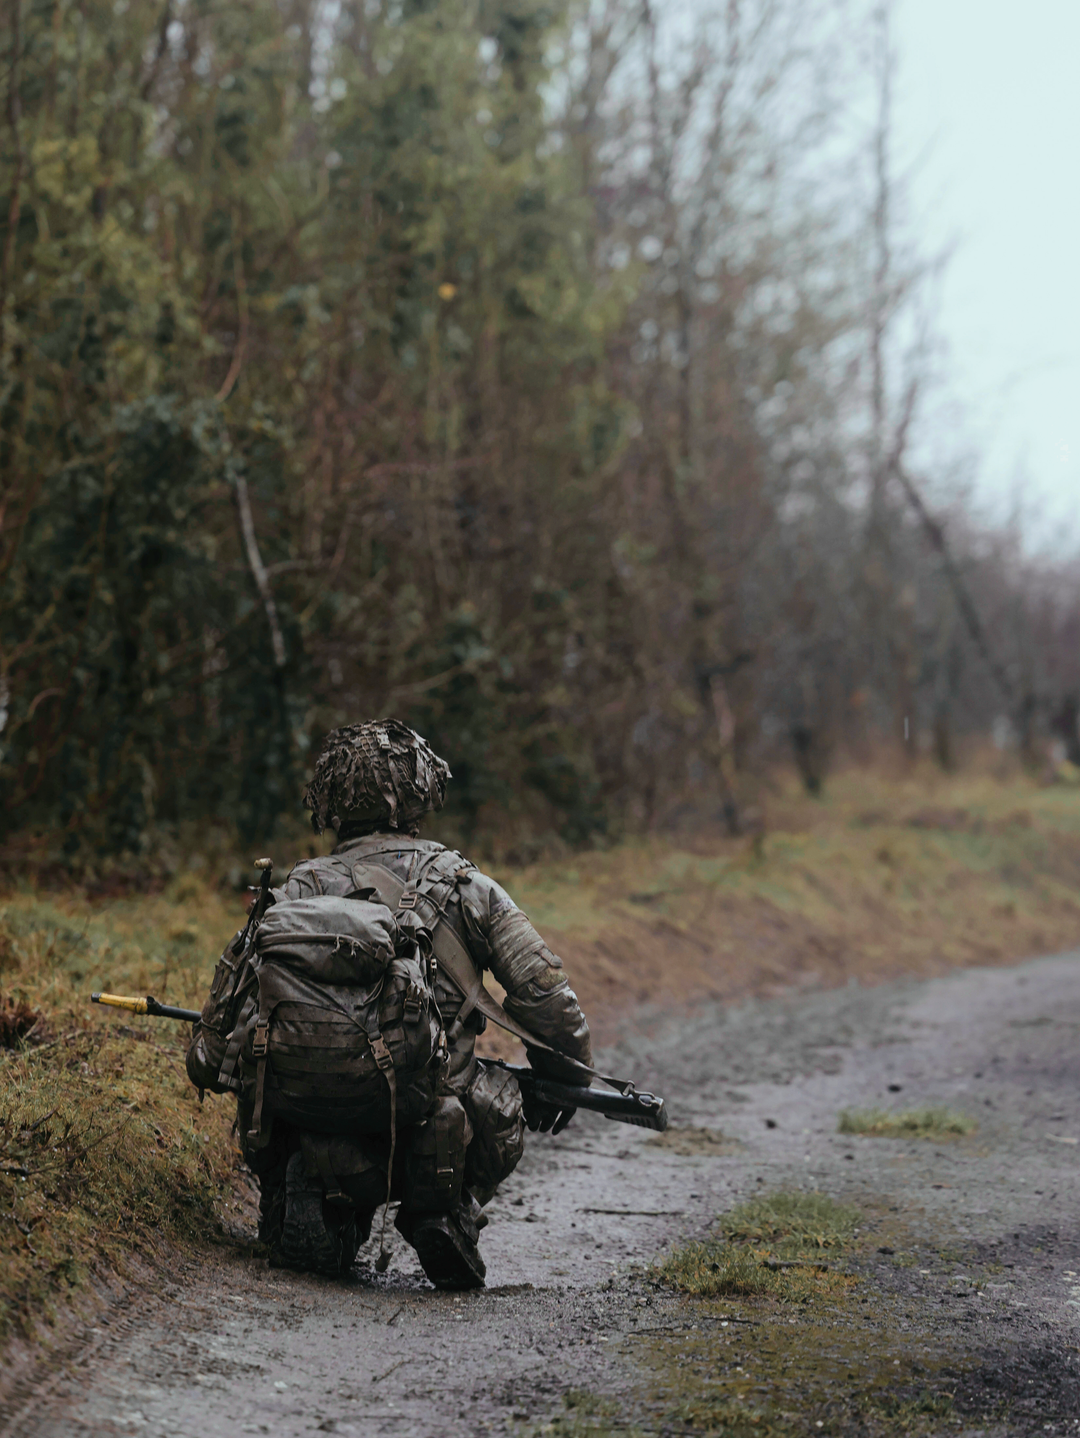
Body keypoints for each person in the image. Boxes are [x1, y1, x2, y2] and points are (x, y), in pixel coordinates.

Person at [189, 719, 592, 1290]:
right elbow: (545, 993)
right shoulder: (465, 886)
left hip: (308, 1111)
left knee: (260, 1059)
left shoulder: (298, 888)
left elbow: (223, 1021)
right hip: (428, 1121)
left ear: (328, 799)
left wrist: (214, 1059)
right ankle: (442, 1209)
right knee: (501, 1100)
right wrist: (562, 1074)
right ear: (423, 790)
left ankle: (303, 1191)